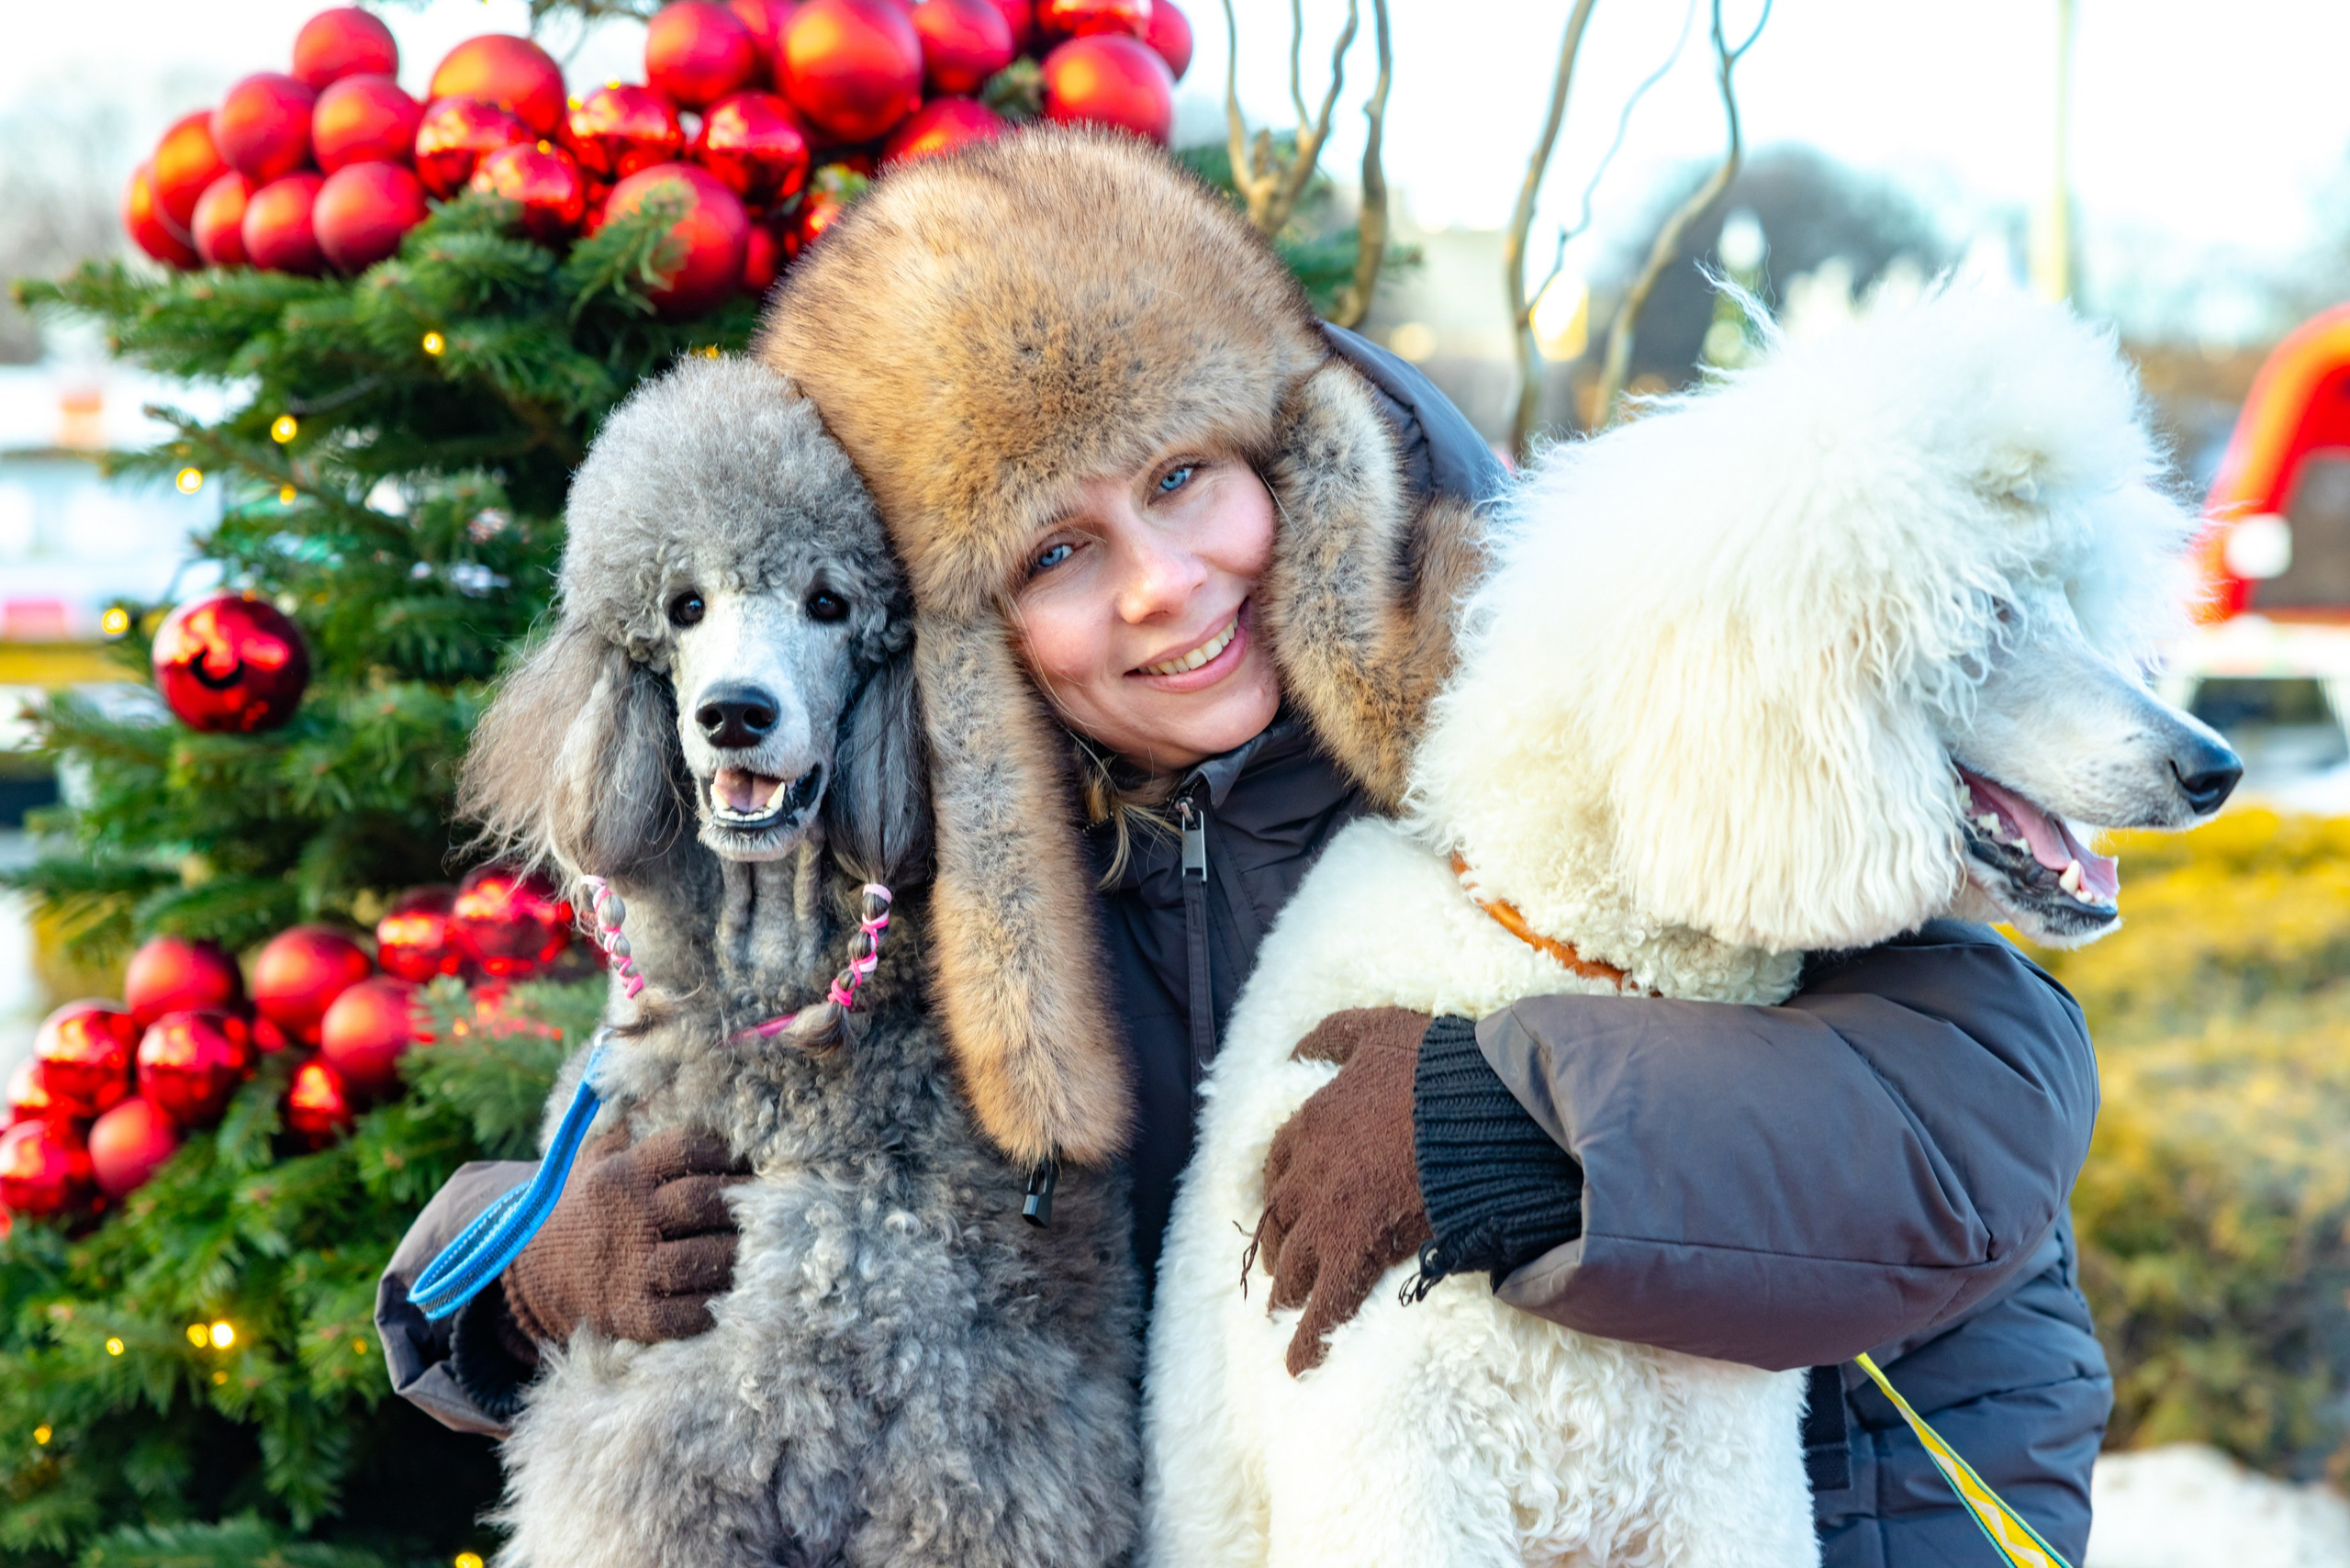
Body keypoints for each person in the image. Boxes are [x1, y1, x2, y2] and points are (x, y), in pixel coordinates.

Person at [379, 127, 2109, 1564]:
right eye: (1056, 553)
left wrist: (1528, 1120)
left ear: (1288, 450)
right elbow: (660, 1105)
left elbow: (1980, 1094)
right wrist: (514, 1277)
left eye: (1187, 476)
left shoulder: (1560, 670)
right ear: (965, 632)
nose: (1163, 580)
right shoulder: (903, 873)